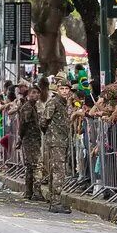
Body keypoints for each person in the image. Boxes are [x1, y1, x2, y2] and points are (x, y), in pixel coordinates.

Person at [41, 77, 73, 214]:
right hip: (56, 141)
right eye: (62, 89)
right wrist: (49, 133)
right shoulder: (53, 102)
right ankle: (55, 202)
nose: (64, 91)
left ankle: (55, 200)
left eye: (66, 89)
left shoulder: (66, 103)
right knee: (58, 171)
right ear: (57, 90)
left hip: (63, 140)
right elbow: (44, 120)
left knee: (57, 170)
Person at [16, 79, 45, 201]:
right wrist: (21, 138)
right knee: (36, 165)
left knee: (30, 166)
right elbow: (24, 124)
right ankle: (36, 192)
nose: (35, 95)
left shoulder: (33, 107)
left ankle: (29, 192)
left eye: (37, 93)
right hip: (30, 139)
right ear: (28, 94)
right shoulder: (27, 107)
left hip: (33, 138)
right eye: (33, 93)